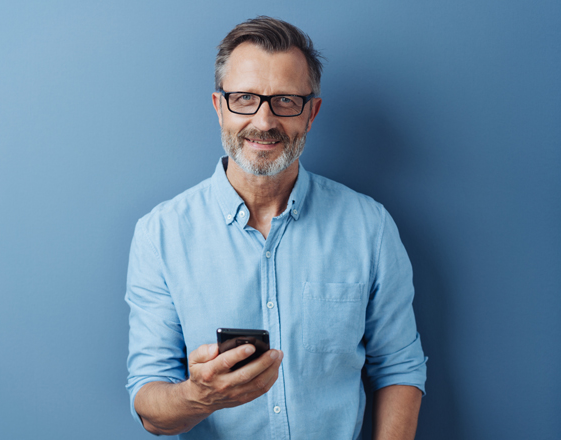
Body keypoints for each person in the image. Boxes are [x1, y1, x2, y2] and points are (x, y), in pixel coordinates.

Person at [125, 16, 427, 440]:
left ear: (311, 113)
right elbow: (151, 409)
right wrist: (200, 395)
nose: (264, 121)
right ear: (219, 108)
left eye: (285, 100)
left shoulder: (369, 226)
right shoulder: (160, 235)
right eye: (245, 98)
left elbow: (399, 365)